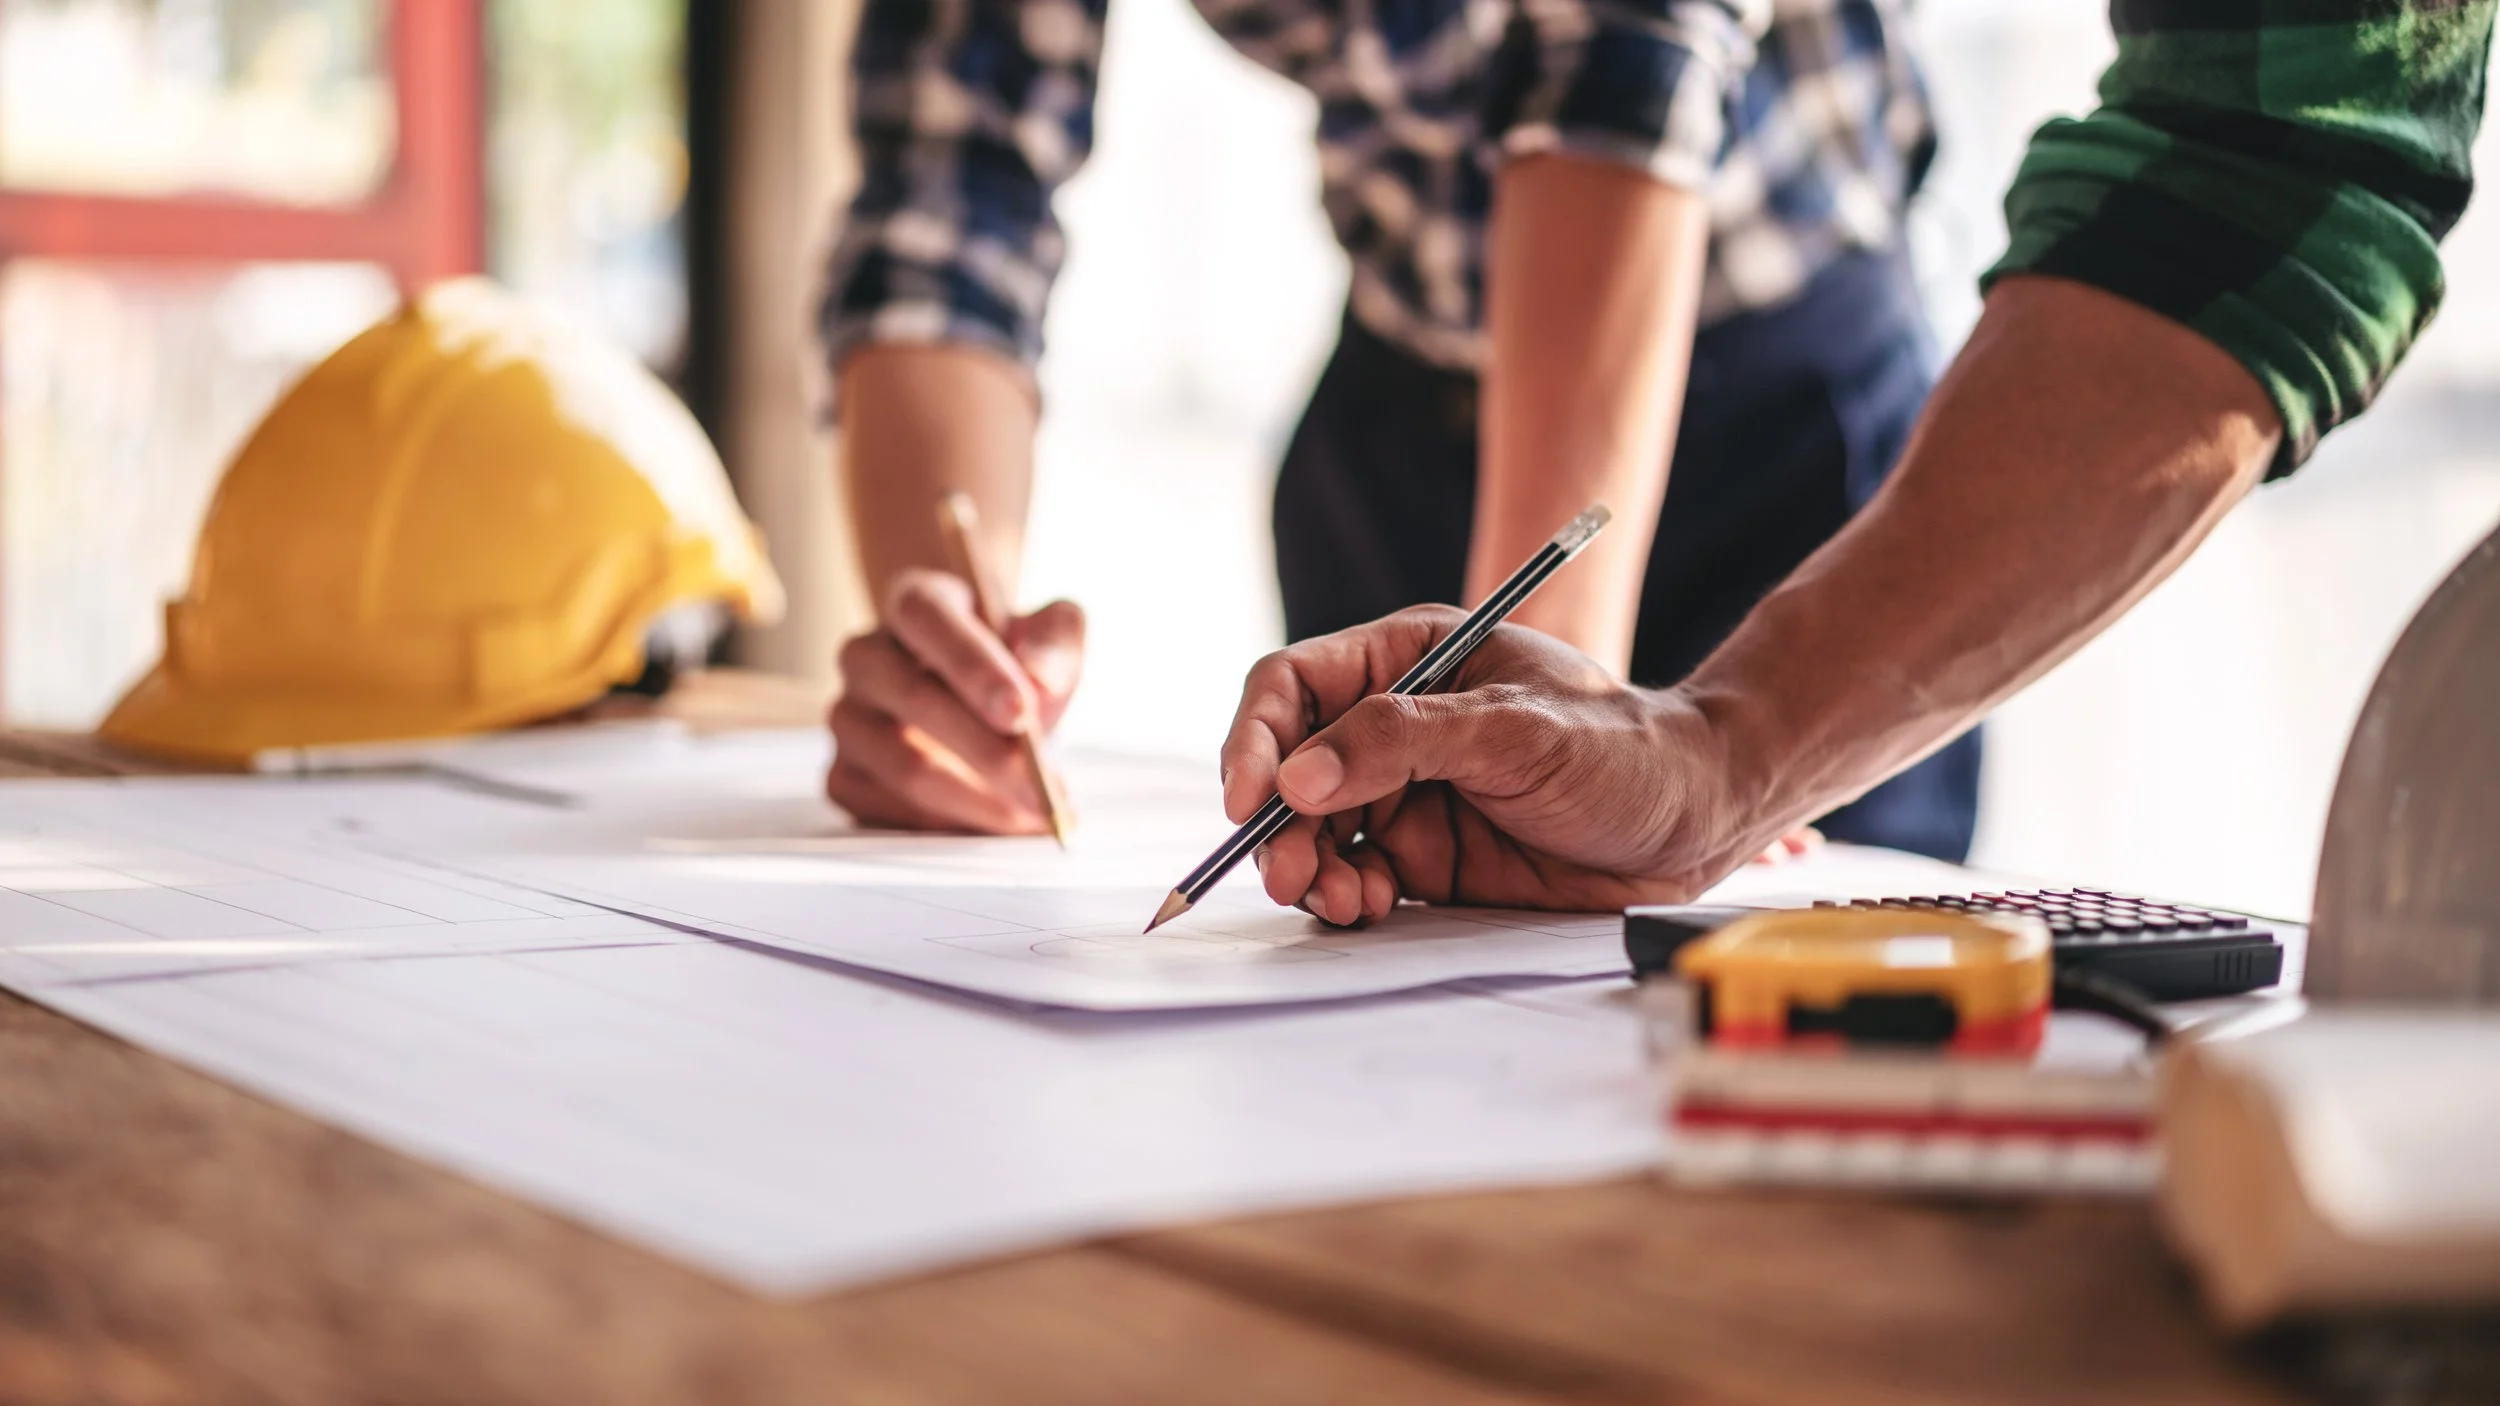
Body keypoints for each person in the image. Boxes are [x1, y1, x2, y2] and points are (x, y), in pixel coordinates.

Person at [1209, 2, 2497, 924]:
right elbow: (992, 154)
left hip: (1791, 401)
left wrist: (1721, 748)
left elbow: (2266, 154)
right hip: (1394, 376)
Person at [818, 0, 1985, 858]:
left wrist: (1554, 718)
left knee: (1792, 1052)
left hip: (1780, 436)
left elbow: (1621, 70)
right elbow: (947, 179)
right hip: (1398, 403)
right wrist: (953, 673)